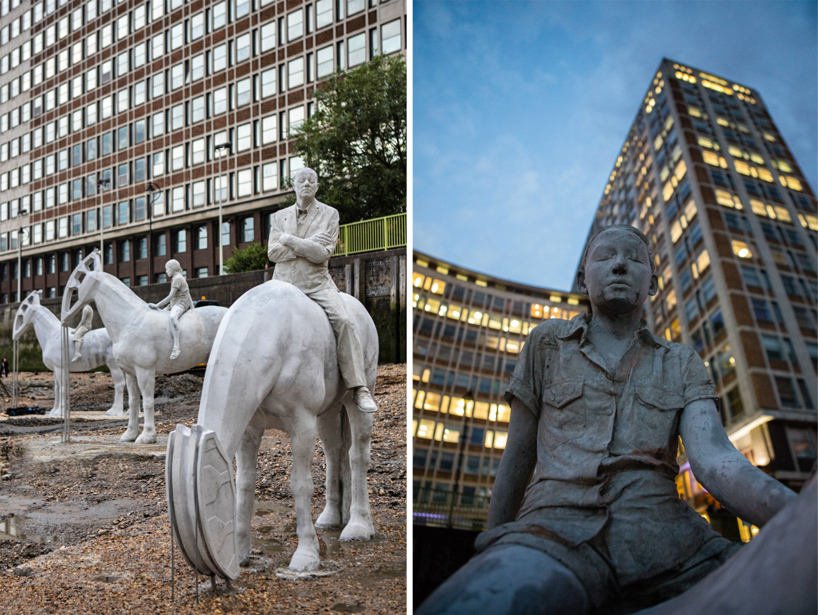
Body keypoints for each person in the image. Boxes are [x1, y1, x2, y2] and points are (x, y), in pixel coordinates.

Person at [417, 225, 796, 615]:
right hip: (550, 534)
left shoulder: (681, 361)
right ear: (584, 279)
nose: (619, 265)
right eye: (605, 257)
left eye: (634, 258)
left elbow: (715, 461)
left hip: (673, 547)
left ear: (651, 284)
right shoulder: (547, 343)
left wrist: (799, 516)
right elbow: (518, 454)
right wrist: (492, 543)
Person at [267, 167, 377, 414]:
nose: (306, 183)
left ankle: (359, 387)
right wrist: (308, 244)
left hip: (316, 284)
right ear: (293, 186)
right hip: (282, 284)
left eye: (311, 180)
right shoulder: (279, 217)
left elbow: (321, 254)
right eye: (301, 180)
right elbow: (272, 253)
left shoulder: (330, 214)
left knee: (345, 321)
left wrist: (290, 241)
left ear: (317, 186)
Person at [148, 259, 194, 360]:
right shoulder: (177, 278)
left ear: (172, 269)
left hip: (180, 304)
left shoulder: (178, 278)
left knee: (173, 317)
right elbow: (188, 293)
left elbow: (170, 296)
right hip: (173, 304)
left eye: (167, 269)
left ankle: (177, 347)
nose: (166, 271)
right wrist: (193, 307)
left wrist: (157, 305)